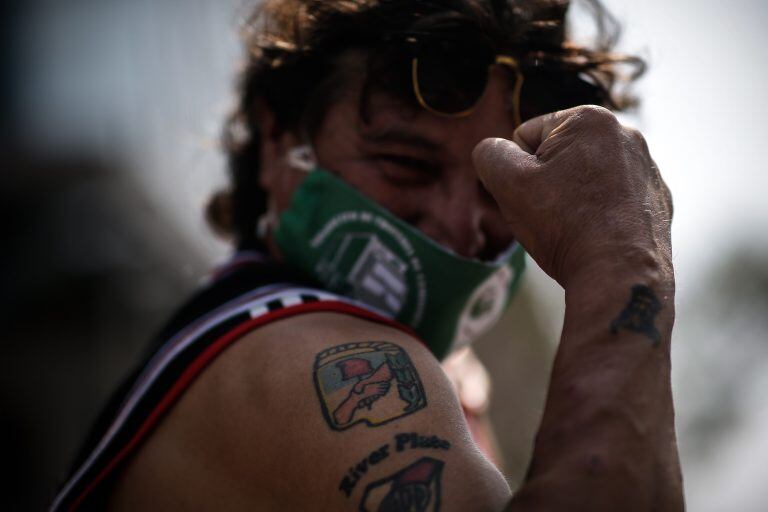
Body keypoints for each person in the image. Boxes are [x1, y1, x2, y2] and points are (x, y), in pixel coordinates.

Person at [51, 0, 683, 510]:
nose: (459, 228)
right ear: (278, 141)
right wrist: (624, 259)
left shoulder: (442, 384)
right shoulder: (306, 352)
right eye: (406, 165)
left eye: (498, 191)